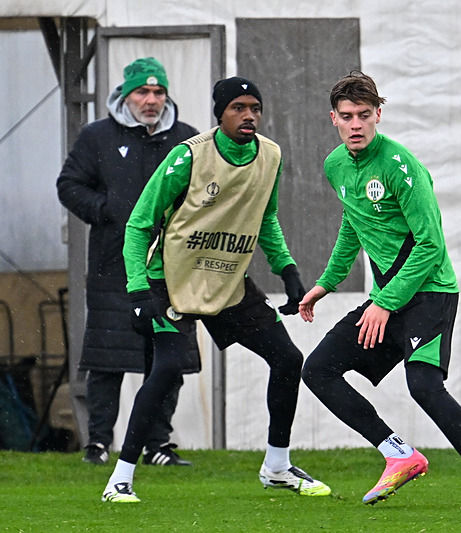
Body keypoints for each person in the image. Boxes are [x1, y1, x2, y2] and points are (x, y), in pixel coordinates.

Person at [100, 76, 330, 503]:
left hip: (228, 282)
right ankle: (120, 479)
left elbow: (266, 218)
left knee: (287, 359)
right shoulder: (188, 156)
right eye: (238, 108)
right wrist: (138, 290)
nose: (249, 116)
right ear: (219, 114)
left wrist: (288, 272)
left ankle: (277, 466)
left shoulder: (271, 156)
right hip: (171, 281)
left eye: (255, 108)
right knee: (167, 369)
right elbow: (139, 224)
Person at [299, 71, 461, 510]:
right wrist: (327, 282)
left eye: (364, 115)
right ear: (333, 118)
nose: (356, 124)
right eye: (347, 116)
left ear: (378, 114)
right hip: (391, 298)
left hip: (431, 292)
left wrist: (383, 302)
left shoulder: (401, 166)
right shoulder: (335, 165)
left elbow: (430, 245)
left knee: (424, 386)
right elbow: (352, 225)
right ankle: (399, 454)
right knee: (318, 370)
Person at [57, 57, 199, 466]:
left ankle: (158, 445)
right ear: (125, 94)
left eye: (158, 92)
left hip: (170, 270)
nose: (151, 100)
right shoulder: (97, 136)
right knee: (107, 360)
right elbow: (69, 185)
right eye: (142, 92)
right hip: (113, 268)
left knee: (168, 359)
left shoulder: (187, 139)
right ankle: (98, 443)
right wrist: (107, 210)